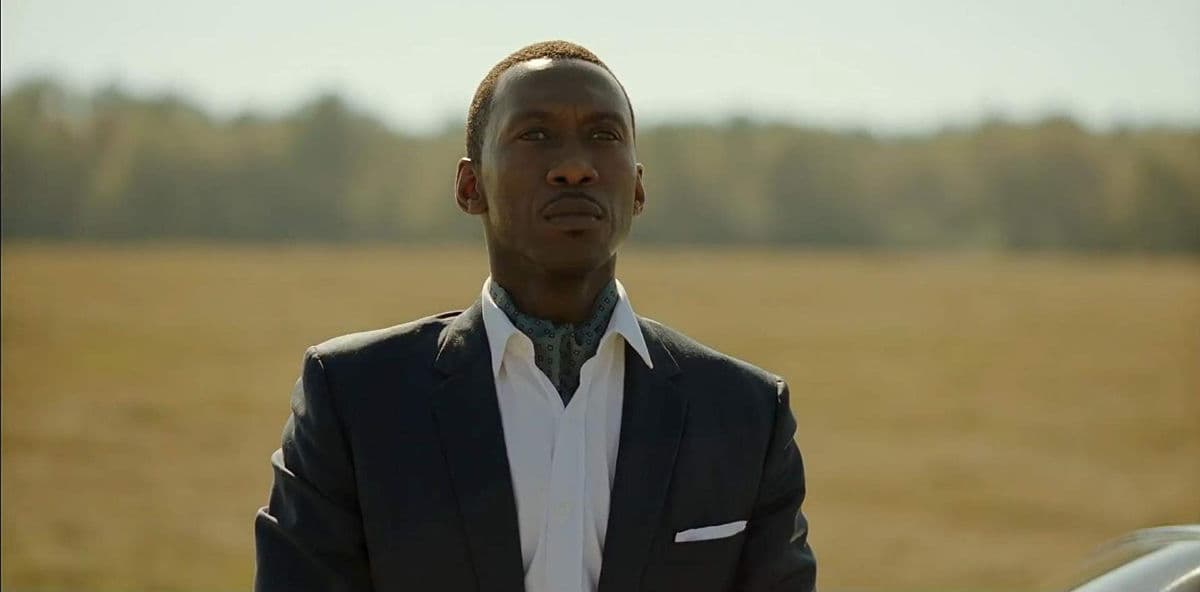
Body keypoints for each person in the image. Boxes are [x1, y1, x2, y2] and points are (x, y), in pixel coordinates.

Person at [254, 40, 816, 592]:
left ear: (638, 188)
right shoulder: (356, 399)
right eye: (535, 135)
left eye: (604, 136)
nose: (574, 167)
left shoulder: (745, 413)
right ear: (471, 186)